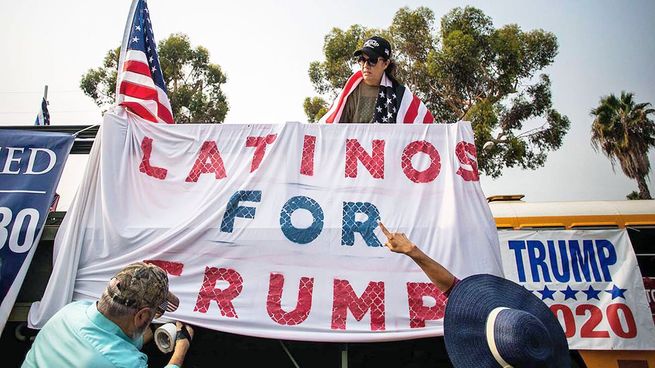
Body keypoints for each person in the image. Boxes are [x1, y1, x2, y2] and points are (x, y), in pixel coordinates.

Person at [379, 222, 571, 368]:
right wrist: (414, 252)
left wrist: (414, 253)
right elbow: (453, 287)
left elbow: (454, 288)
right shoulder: (536, 353)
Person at [22, 262, 194, 368]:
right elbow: (114, 354)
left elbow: (110, 339)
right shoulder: (125, 363)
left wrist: (152, 329)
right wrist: (181, 348)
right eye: (155, 313)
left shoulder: (71, 310)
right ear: (141, 316)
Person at [319, 36, 435, 124]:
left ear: (385, 64)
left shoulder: (401, 95)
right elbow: (335, 129)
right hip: (355, 153)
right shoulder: (350, 92)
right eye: (362, 59)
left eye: (372, 60)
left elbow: (427, 125)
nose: (365, 65)